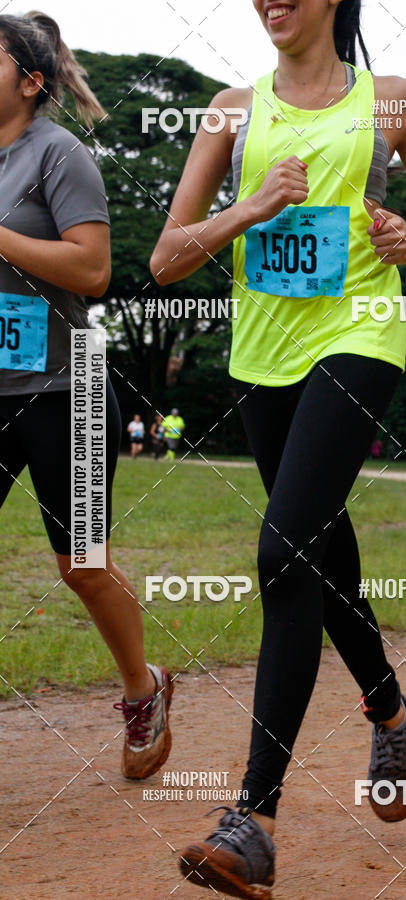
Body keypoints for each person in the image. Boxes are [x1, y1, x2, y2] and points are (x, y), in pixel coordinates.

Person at [151, 1, 406, 895]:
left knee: (283, 553)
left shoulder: (392, 102)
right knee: (320, 553)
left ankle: (253, 821)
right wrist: (249, 207)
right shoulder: (229, 111)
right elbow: (166, 258)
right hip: (262, 354)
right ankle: (388, 704)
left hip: (360, 334)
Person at [0, 12, 173, 780]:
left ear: (30, 82)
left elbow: (93, 271)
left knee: (82, 563)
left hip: (61, 391)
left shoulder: (58, 154)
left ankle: (144, 690)